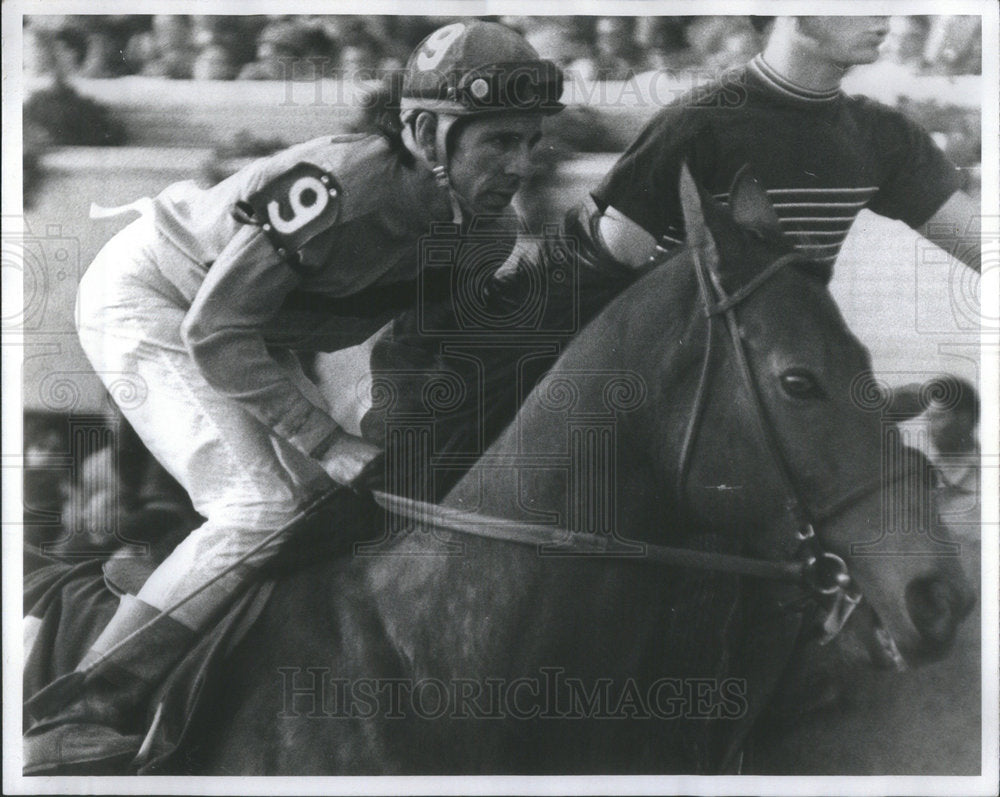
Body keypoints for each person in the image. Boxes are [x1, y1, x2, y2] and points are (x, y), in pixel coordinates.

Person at [24, 19, 565, 774]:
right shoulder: (336, 185)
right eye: (498, 143)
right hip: (155, 301)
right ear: (427, 133)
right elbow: (216, 332)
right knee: (261, 506)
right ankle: (77, 706)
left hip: (251, 330)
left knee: (322, 510)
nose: (520, 164)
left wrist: (388, 454)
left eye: (529, 142)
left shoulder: (484, 234)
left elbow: (417, 356)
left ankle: (185, 622)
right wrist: (331, 441)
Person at [590, 15, 982, 275]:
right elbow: (607, 274)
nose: (883, 14)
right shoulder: (695, 124)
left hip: (786, 373)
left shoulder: (884, 134)